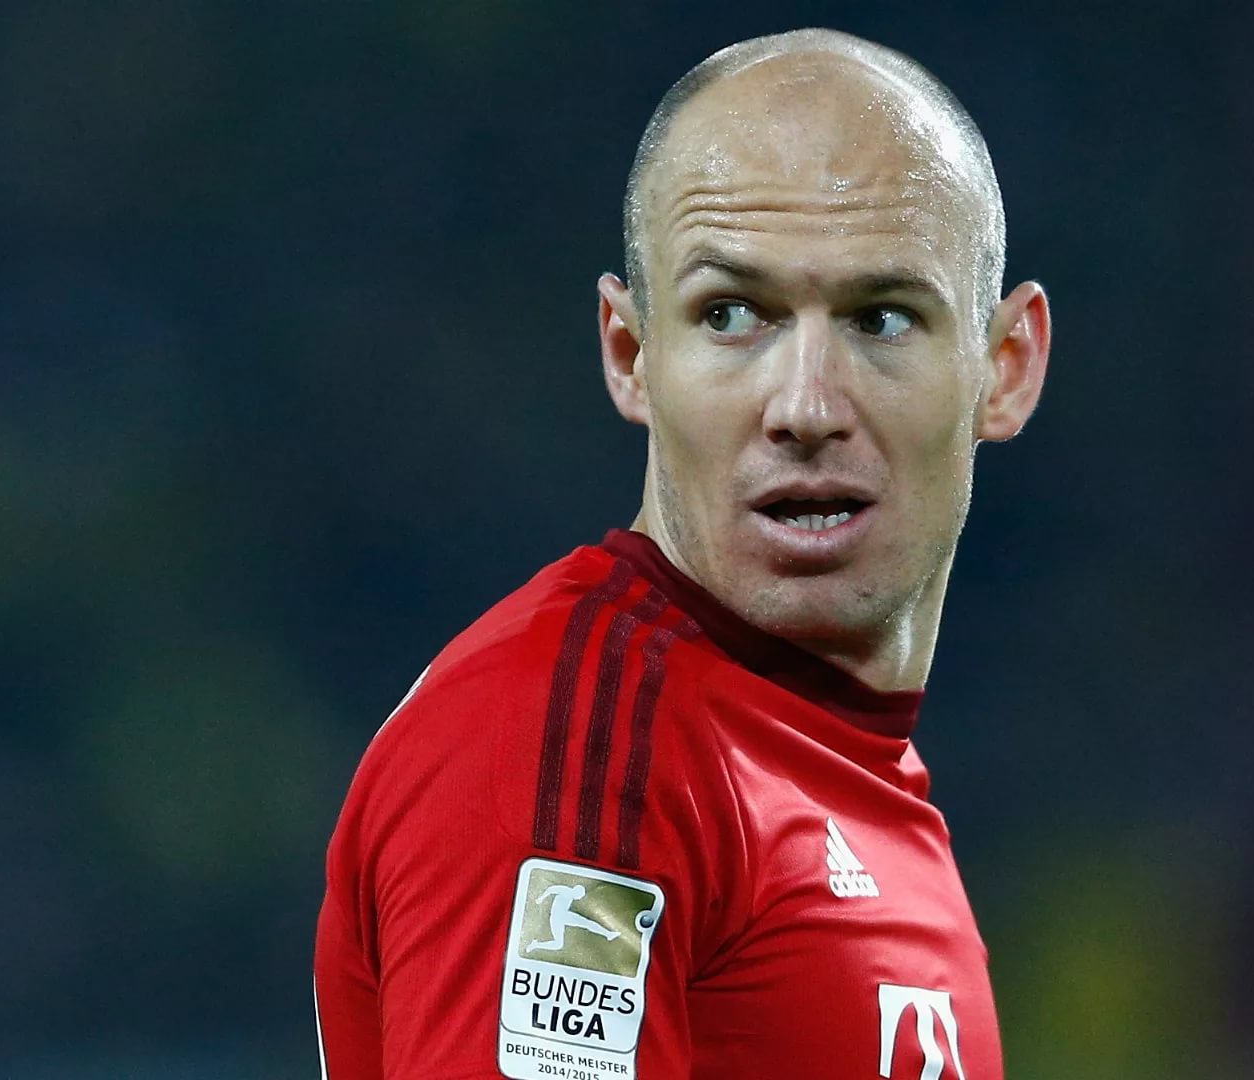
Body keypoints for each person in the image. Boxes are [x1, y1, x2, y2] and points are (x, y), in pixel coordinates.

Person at [314, 26, 1050, 1080]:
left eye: (882, 318)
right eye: (733, 314)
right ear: (630, 353)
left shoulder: (837, 766)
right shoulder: (582, 754)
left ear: (1006, 367)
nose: (805, 406)